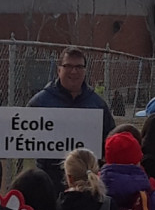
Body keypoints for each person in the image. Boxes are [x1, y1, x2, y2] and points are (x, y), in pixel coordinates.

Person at [27, 46, 116, 194]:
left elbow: (109, 140)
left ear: (85, 71)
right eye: (68, 66)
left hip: (87, 185)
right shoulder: (40, 102)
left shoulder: (97, 104)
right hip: (50, 183)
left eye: (79, 67)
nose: (74, 71)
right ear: (59, 69)